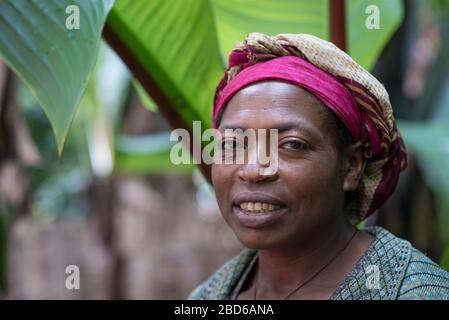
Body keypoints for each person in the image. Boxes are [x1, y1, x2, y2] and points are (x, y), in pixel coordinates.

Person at [188, 32, 449, 300]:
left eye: (291, 145)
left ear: (351, 166)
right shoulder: (208, 296)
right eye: (233, 144)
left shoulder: (416, 292)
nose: (253, 170)